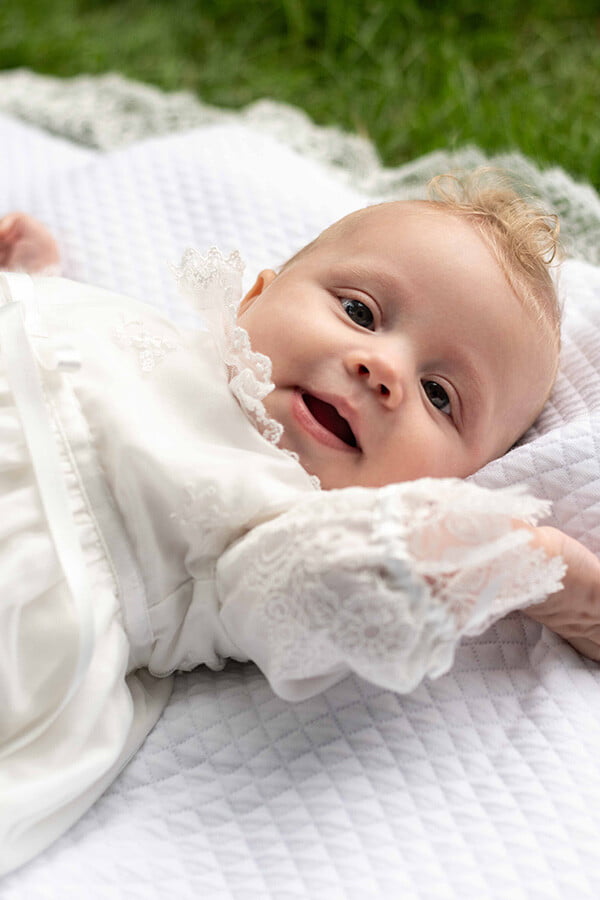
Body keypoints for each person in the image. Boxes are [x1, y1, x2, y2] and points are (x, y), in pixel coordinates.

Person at [1, 171, 599, 874]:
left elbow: (329, 587)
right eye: (360, 312)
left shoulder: (283, 523)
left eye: (439, 396)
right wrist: (36, 279)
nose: (381, 367)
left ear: (454, 483)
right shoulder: (162, 338)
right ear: (257, 295)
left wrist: (510, 556)